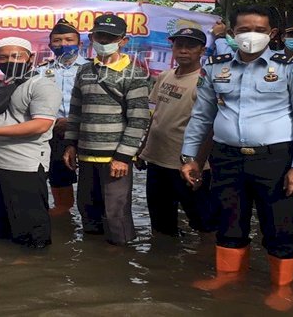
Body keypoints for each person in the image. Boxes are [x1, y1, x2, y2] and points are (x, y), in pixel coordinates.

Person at [179, 5, 293, 311]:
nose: (250, 35)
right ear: (232, 33)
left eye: (258, 29)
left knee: (279, 225)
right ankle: (228, 278)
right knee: (229, 220)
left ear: (272, 34)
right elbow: (201, 116)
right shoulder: (215, 67)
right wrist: (189, 156)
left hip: (277, 160)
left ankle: (281, 288)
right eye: (243, 29)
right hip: (226, 158)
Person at [63, 14, 151, 246]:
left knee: (116, 214)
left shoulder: (135, 73)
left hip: (115, 159)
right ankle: (92, 262)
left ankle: (120, 264)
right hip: (86, 155)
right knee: (87, 209)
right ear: (92, 37)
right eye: (100, 35)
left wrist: (123, 157)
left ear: (123, 41)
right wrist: (70, 144)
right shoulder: (84, 71)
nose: (104, 41)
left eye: (111, 37)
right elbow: (75, 112)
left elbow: (139, 119)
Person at [0, 37, 62, 248]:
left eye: (16, 56)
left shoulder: (41, 85)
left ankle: (32, 274)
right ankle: (2, 270)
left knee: (31, 232)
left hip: (23, 166)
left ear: (30, 58)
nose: (9, 60)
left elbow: (41, 125)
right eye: (3, 57)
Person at [138, 27, 215, 236]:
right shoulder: (164, 76)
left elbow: (210, 128)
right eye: (179, 45)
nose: (183, 50)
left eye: (190, 46)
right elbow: (155, 115)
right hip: (156, 160)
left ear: (202, 50)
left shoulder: (206, 81)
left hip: (187, 165)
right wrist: (142, 149)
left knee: (203, 222)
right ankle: (164, 264)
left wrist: (198, 162)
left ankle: (202, 265)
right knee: (161, 222)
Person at [35, 19, 88, 216]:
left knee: (93, 181)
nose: (64, 44)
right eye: (57, 40)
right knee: (59, 177)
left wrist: (73, 121)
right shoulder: (40, 72)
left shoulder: (93, 69)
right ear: (50, 46)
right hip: (54, 132)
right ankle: (64, 216)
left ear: (80, 44)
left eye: (69, 39)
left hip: (87, 132)